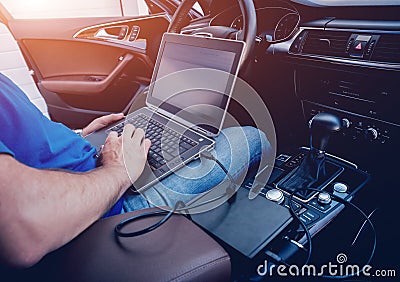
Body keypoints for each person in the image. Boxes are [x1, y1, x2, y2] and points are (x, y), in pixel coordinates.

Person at [0, 73, 270, 268]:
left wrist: (79, 137)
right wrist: (119, 171)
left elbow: (20, 139)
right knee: (248, 137)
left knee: (182, 139)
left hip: (92, 168)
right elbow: (24, 229)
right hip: (106, 209)